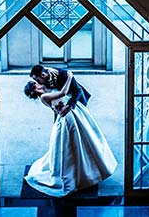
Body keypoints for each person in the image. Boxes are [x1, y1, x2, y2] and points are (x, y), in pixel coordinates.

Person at [21, 68, 117, 196]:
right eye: (35, 82)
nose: (37, 82)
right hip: (67, 119)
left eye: (36, 80)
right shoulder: (44, 96)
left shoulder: (48, 86)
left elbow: (66, 95)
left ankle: (83, 172)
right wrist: (70, 77)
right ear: (35, 89)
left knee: (82, 141)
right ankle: (77, 174)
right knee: (70, 147)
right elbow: (63, 92)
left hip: (73, 113)